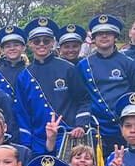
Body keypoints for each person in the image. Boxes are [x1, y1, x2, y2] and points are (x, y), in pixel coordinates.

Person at [15, 17, 93, 155]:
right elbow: (23, 113)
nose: (41, 44)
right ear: (30, 44)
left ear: (52, 43)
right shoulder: (23, 76)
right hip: (39, 140)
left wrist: (80, 125)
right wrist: (26, 143)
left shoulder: (68, 68)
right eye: (36, 41)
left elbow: (84, 100)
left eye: (46, 40)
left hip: (68, 135)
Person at [78, 15, 135, 150]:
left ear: (115, 37)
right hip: (96, 129)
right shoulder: (83, 65)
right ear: (94, 38)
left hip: (124, 128)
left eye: (108, 33)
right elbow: (80, 98)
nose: (104, 37)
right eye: (100, 34)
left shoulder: (128, 63)